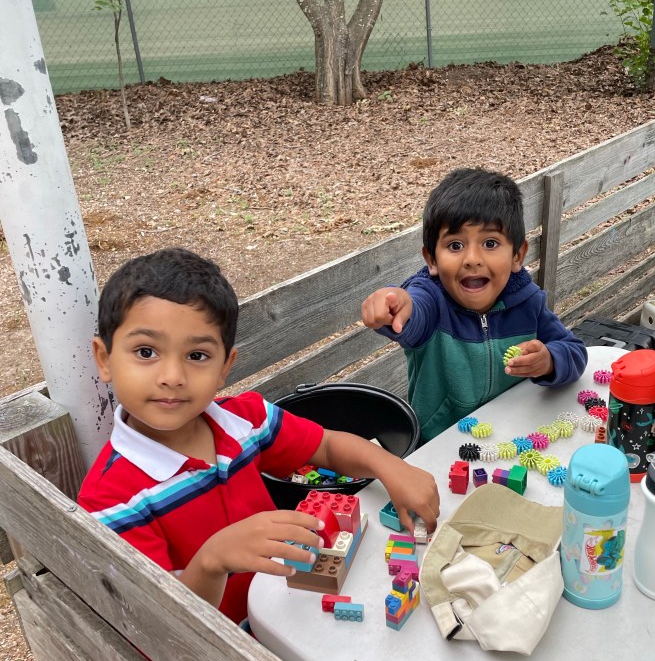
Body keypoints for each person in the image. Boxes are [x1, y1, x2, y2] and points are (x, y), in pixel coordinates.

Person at [78, 248, 439, 625]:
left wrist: (389, 466)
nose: (172, 376)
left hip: (291, 613)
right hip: (224, 649)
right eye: (146, 351)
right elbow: (158, 623)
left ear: (225, 367)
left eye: (197, 356)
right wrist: (211, 561)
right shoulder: (110, 500)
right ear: (104, 359)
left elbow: (327, 445)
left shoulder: (246, 419)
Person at [361, 167, 587, 441]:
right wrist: (396, 306)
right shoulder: (431, 302)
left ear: (517, 256)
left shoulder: (529, 303)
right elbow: (413, 314)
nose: (472, 259)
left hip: (515, 438)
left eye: (490, 243)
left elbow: (576, 352)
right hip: (439, 446)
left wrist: (549, 361)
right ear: (432, 260)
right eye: (455, 245)